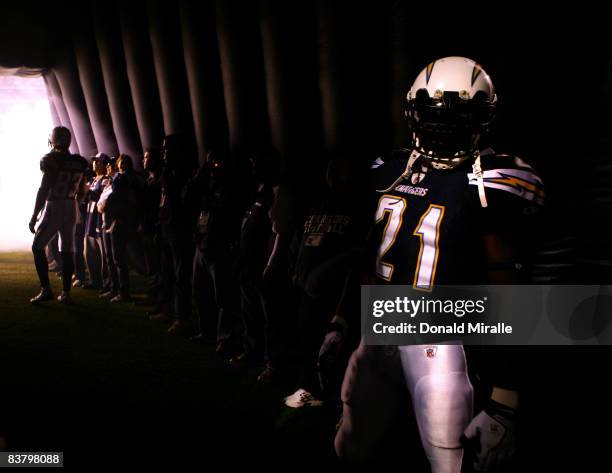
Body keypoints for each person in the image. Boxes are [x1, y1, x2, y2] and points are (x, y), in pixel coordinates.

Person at [334, 57, 544, 472]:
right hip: (379, 331)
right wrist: (341, 320)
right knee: (351, 445)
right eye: (436, 116)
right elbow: (365, 258)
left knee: (450, 458)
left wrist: (506, 397)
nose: (446, 127)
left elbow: (513, 292)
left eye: (460, 116)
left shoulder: (493, 180)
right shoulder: (389, 169)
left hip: (441, 339)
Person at [29, 126, 88, 304]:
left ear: (53, 140)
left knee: (37, 246)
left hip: (55, 205)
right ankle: (66, 293)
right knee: (68, 249)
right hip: (71, 206)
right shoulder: (79, 162)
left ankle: (46, 289)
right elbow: (83, 189)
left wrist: (34, 215)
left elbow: (44, 189)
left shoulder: (51, 160)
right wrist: (77, 203)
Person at [84, 153, 111, 290]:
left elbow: (102, 197)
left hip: (99, 220)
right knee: (89, 253)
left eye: (98, 162)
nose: (95, 163)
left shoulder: (106, 179)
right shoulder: (94, 179)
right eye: (94, 161)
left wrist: (88, 192)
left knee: (103, 255)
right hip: (90, 220)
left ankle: (106, 283)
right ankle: (95, 281)